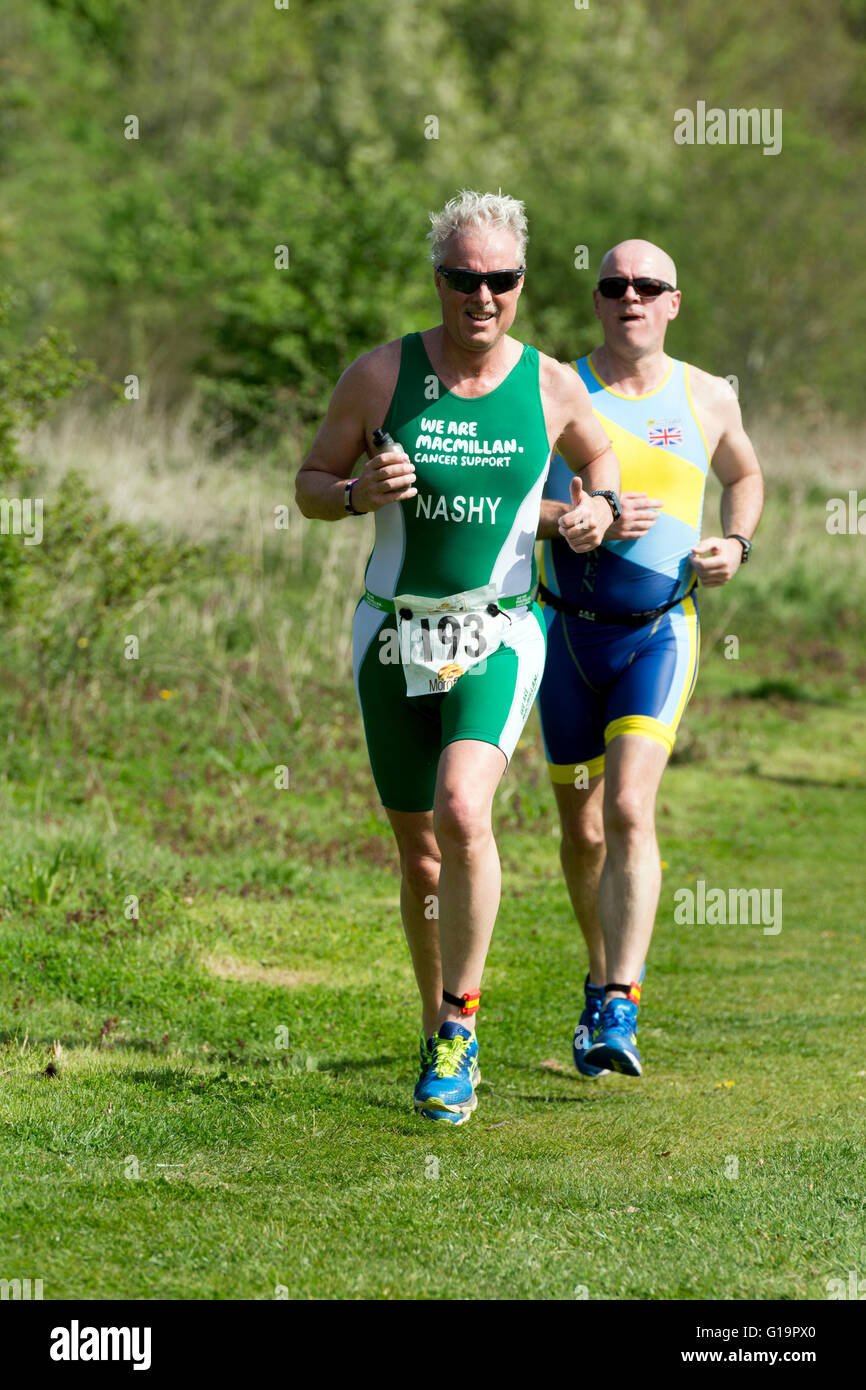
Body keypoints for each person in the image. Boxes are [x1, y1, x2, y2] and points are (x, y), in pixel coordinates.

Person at [295, 191, 621, 1124]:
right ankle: (436, 1027)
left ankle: (460, 1023)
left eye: (501, 280)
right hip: (392, 633)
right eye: (463, 279)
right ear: (438, 280)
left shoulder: (553, 384)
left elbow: (601, 464)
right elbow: (310, 485)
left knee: (462, 808)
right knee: (421, 855)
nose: (482, 297)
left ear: (521, 282)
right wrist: (357, 493)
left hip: (499, 629)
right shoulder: (380, 375)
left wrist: (593, 507)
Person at [536, 239, 764, 1078]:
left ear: (673, 303)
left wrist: (735, 543)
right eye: (614, 285)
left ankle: (622, 1004)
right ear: (596, 301)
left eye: (648, 287)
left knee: (630, 807)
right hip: (562, 634)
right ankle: (598, 981)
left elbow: (746, 474)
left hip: (659, 632)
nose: (630, 297)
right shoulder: (554, 386)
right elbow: (508, 501)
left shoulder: (706, 395)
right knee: (583, 828)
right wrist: (572, 519)